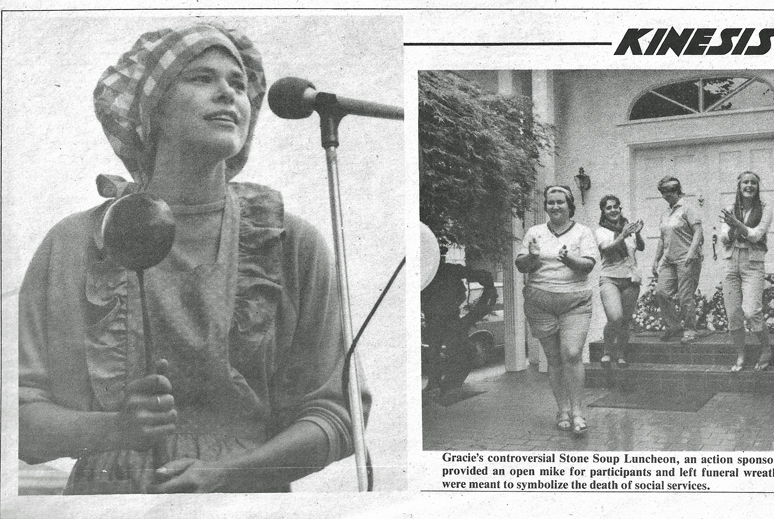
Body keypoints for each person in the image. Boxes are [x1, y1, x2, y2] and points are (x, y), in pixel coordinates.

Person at [18, 23, 370, 493]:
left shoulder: (291, 243)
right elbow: (17, 414)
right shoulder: (76, 242)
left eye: (239, 84)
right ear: (152, 109)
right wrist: (112, 430)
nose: (227, 92)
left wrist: (232, 473)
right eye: (202, 78)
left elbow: (338, 414)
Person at [515, 185, 598, 436]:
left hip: (574, 302)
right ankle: (562, 410)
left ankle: (578, 412)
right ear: (546, 206)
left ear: (570, 205)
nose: (555, 207)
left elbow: (587, 266)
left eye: (560, 202)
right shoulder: (535, 232)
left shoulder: (583, 232)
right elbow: (521, 265)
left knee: (572, 354)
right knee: (553, 359)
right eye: (550, 202)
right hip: (540, 302)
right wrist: (532, 257)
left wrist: (569, 259)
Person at [719, 171, 774, 372]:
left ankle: (766, 348)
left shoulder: (765, 209)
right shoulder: (729, 209)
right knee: (733, 313)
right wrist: (732, 228)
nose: (749, 186)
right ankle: (741, 354)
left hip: (752, 263)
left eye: (753, 182)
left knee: (751, 310)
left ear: (758, 187)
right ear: (739, 186)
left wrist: (736, 224)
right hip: (730, 262)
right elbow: (724, 238)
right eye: (745, 182)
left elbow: (756, 235)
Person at [421, 248, 497, 392]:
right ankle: (438, 384)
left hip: (439, 316)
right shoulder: (448, 270)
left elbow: (481, 276)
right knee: (444, 350)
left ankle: (437, 384)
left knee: (438, 350)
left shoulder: (432, 272)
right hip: (445, 316)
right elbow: (482, 276)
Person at [594, 194, 644, 369]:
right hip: (610, 278)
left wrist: (637, 233)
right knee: (615, 317)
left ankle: (621, 354)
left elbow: (640, 247)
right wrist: (623, 235)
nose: (613, 210)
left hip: (630, 278)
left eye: (616, 206)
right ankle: (608, 351)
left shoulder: (627, 227)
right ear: (603, 211)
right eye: (609, 207)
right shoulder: (601, 231)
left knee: (625, 321)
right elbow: (606, 249)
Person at [652, 176, 704, 344]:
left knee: (685, 296)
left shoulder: (688, 208)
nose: (665, 195)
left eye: (668, 192)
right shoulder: (665, 213)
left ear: (676, 191)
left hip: (686, 259)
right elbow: (662, 238)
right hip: (669, 260)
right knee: (661, 292)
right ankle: (673, 326)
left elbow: (698, 232)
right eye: (662, 192)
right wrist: (656, 260)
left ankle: (690, 330)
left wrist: (691, 252)